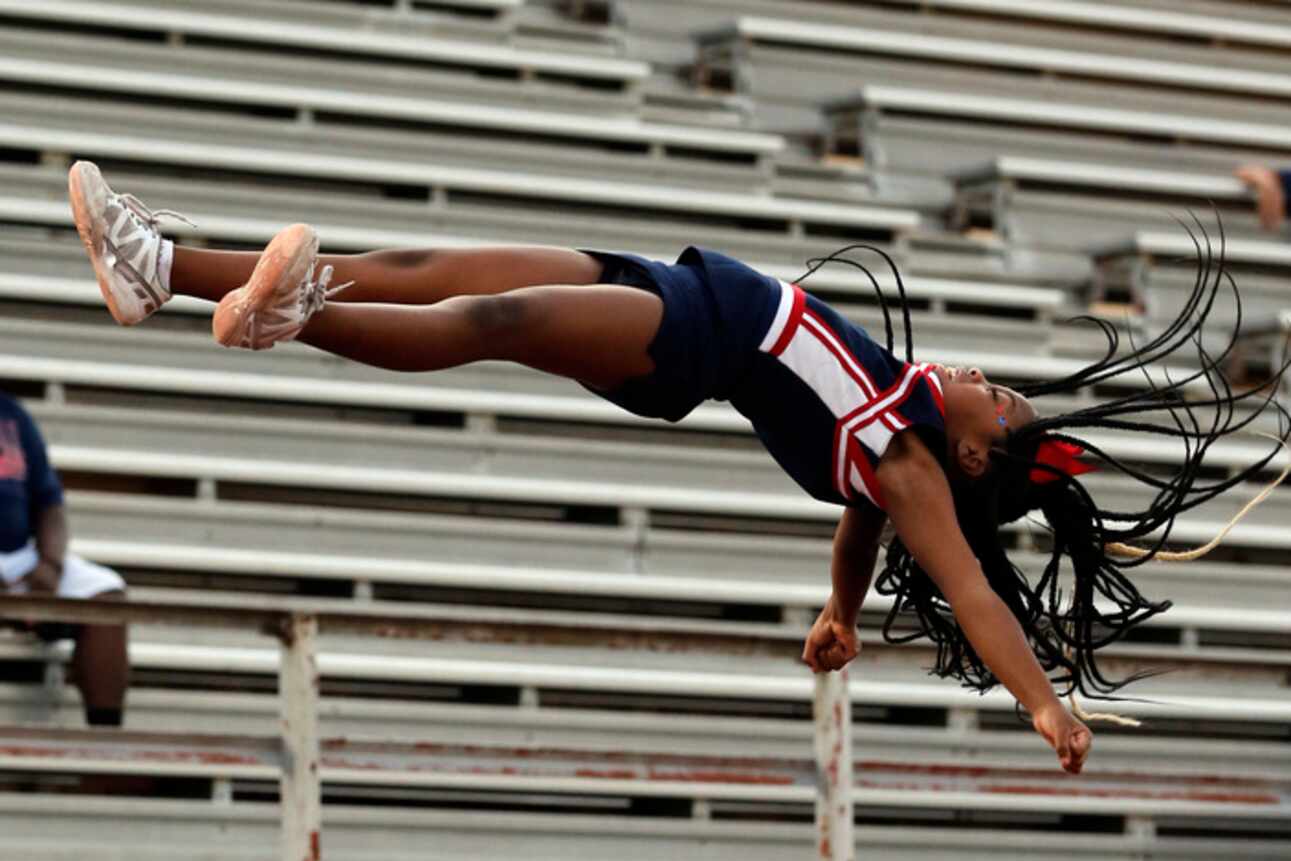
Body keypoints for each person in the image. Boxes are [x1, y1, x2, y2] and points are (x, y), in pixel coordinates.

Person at [68, 170, 1281, 777]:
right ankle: (162, 261)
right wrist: (836, 610)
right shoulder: (892, 445)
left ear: (972, 455)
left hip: (691, 341)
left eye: (1002, 405)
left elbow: (966, 589)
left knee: (487, 316)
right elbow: (864, 531)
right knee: (426, 263)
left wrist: (1041, 703)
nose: (991, 381)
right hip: (675, 280)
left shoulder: (911, 460)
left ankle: (290, 320)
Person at [0, 389, 129, 726]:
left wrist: (50, 566)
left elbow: (49, 502)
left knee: (106, 594)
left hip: (16, 557)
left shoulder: (11, 414)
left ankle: (105, 748)